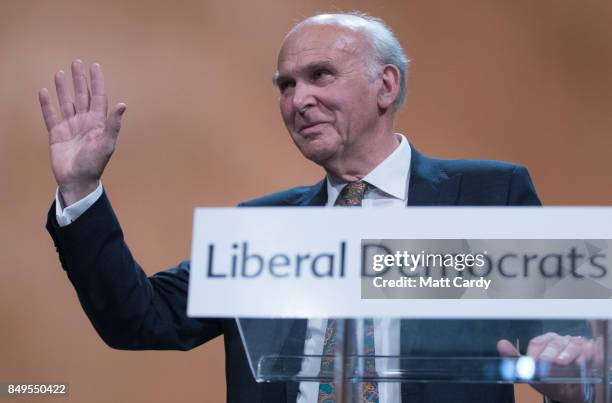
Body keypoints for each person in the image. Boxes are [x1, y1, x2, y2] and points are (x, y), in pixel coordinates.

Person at [40, 12, 594, 403]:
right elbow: (142, 320)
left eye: (319, 75)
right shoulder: (263, 230)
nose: (297, 100)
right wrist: (80, 190)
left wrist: (578, 387)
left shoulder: (490, 196)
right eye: (286, 84)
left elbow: (569, 345)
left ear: (386, 85)